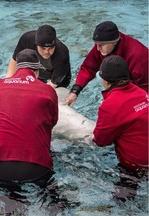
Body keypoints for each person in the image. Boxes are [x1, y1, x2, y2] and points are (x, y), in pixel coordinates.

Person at [0, 49, 58, 182]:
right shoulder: (48, 91)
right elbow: (52, 121)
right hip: (36, 166)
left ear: (16, 68)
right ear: (36, 71)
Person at [93, 55, 148, 201]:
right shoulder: (142, 93)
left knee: (122, 200)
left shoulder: (110, 105)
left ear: (105, 81)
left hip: (136, 165)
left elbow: (100, 140)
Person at [65, 21, 148, 105]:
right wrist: (75, 91)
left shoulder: (138, 56)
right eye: (96, 44)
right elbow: (88, 68)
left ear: (115, 42)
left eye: (101, 45)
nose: (97, 48)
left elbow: (144, 91)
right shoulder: (103, 45)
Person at [6, 24, 71, 88]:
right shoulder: (26, 39)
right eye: (43, 48)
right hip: (37, 73)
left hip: (57, 81)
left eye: (50, 48)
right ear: (36, 44)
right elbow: (14, 62)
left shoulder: (62, 53)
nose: (46, 52)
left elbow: (51, 86)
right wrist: (8, 85)